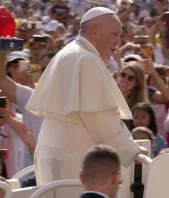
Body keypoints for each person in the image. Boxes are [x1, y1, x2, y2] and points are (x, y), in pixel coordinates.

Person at [25, 7, 141, 185]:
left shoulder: (69, 52)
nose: (119, 41)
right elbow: (100, 119)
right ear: (95, 31)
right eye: (115, 34)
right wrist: (132, 151)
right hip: (72, 156)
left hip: (53, 151)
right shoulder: (87, 59)